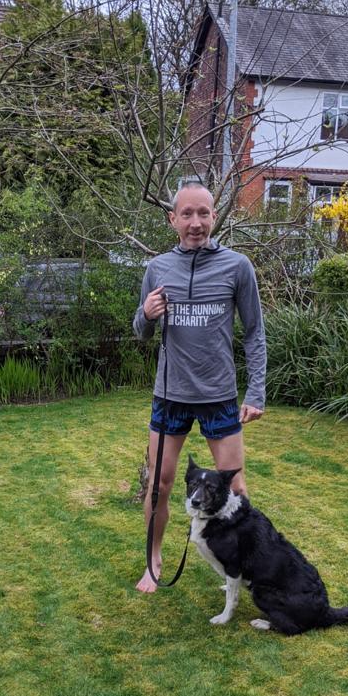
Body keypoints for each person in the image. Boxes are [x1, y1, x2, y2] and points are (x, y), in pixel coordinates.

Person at [132, 183, 266, 593]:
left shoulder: (237, 266)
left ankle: (245, 567)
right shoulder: (157, 268)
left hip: (219, 397)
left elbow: (254, 333)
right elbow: (140, 331)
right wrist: (147, 314)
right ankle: (153, 560)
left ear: (214, 216)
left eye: (203, 214)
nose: (195, 223)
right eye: (186, 214)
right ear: (172, 219)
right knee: (160, 484)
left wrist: (256, 392)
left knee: (237, 488)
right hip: (170, 396)